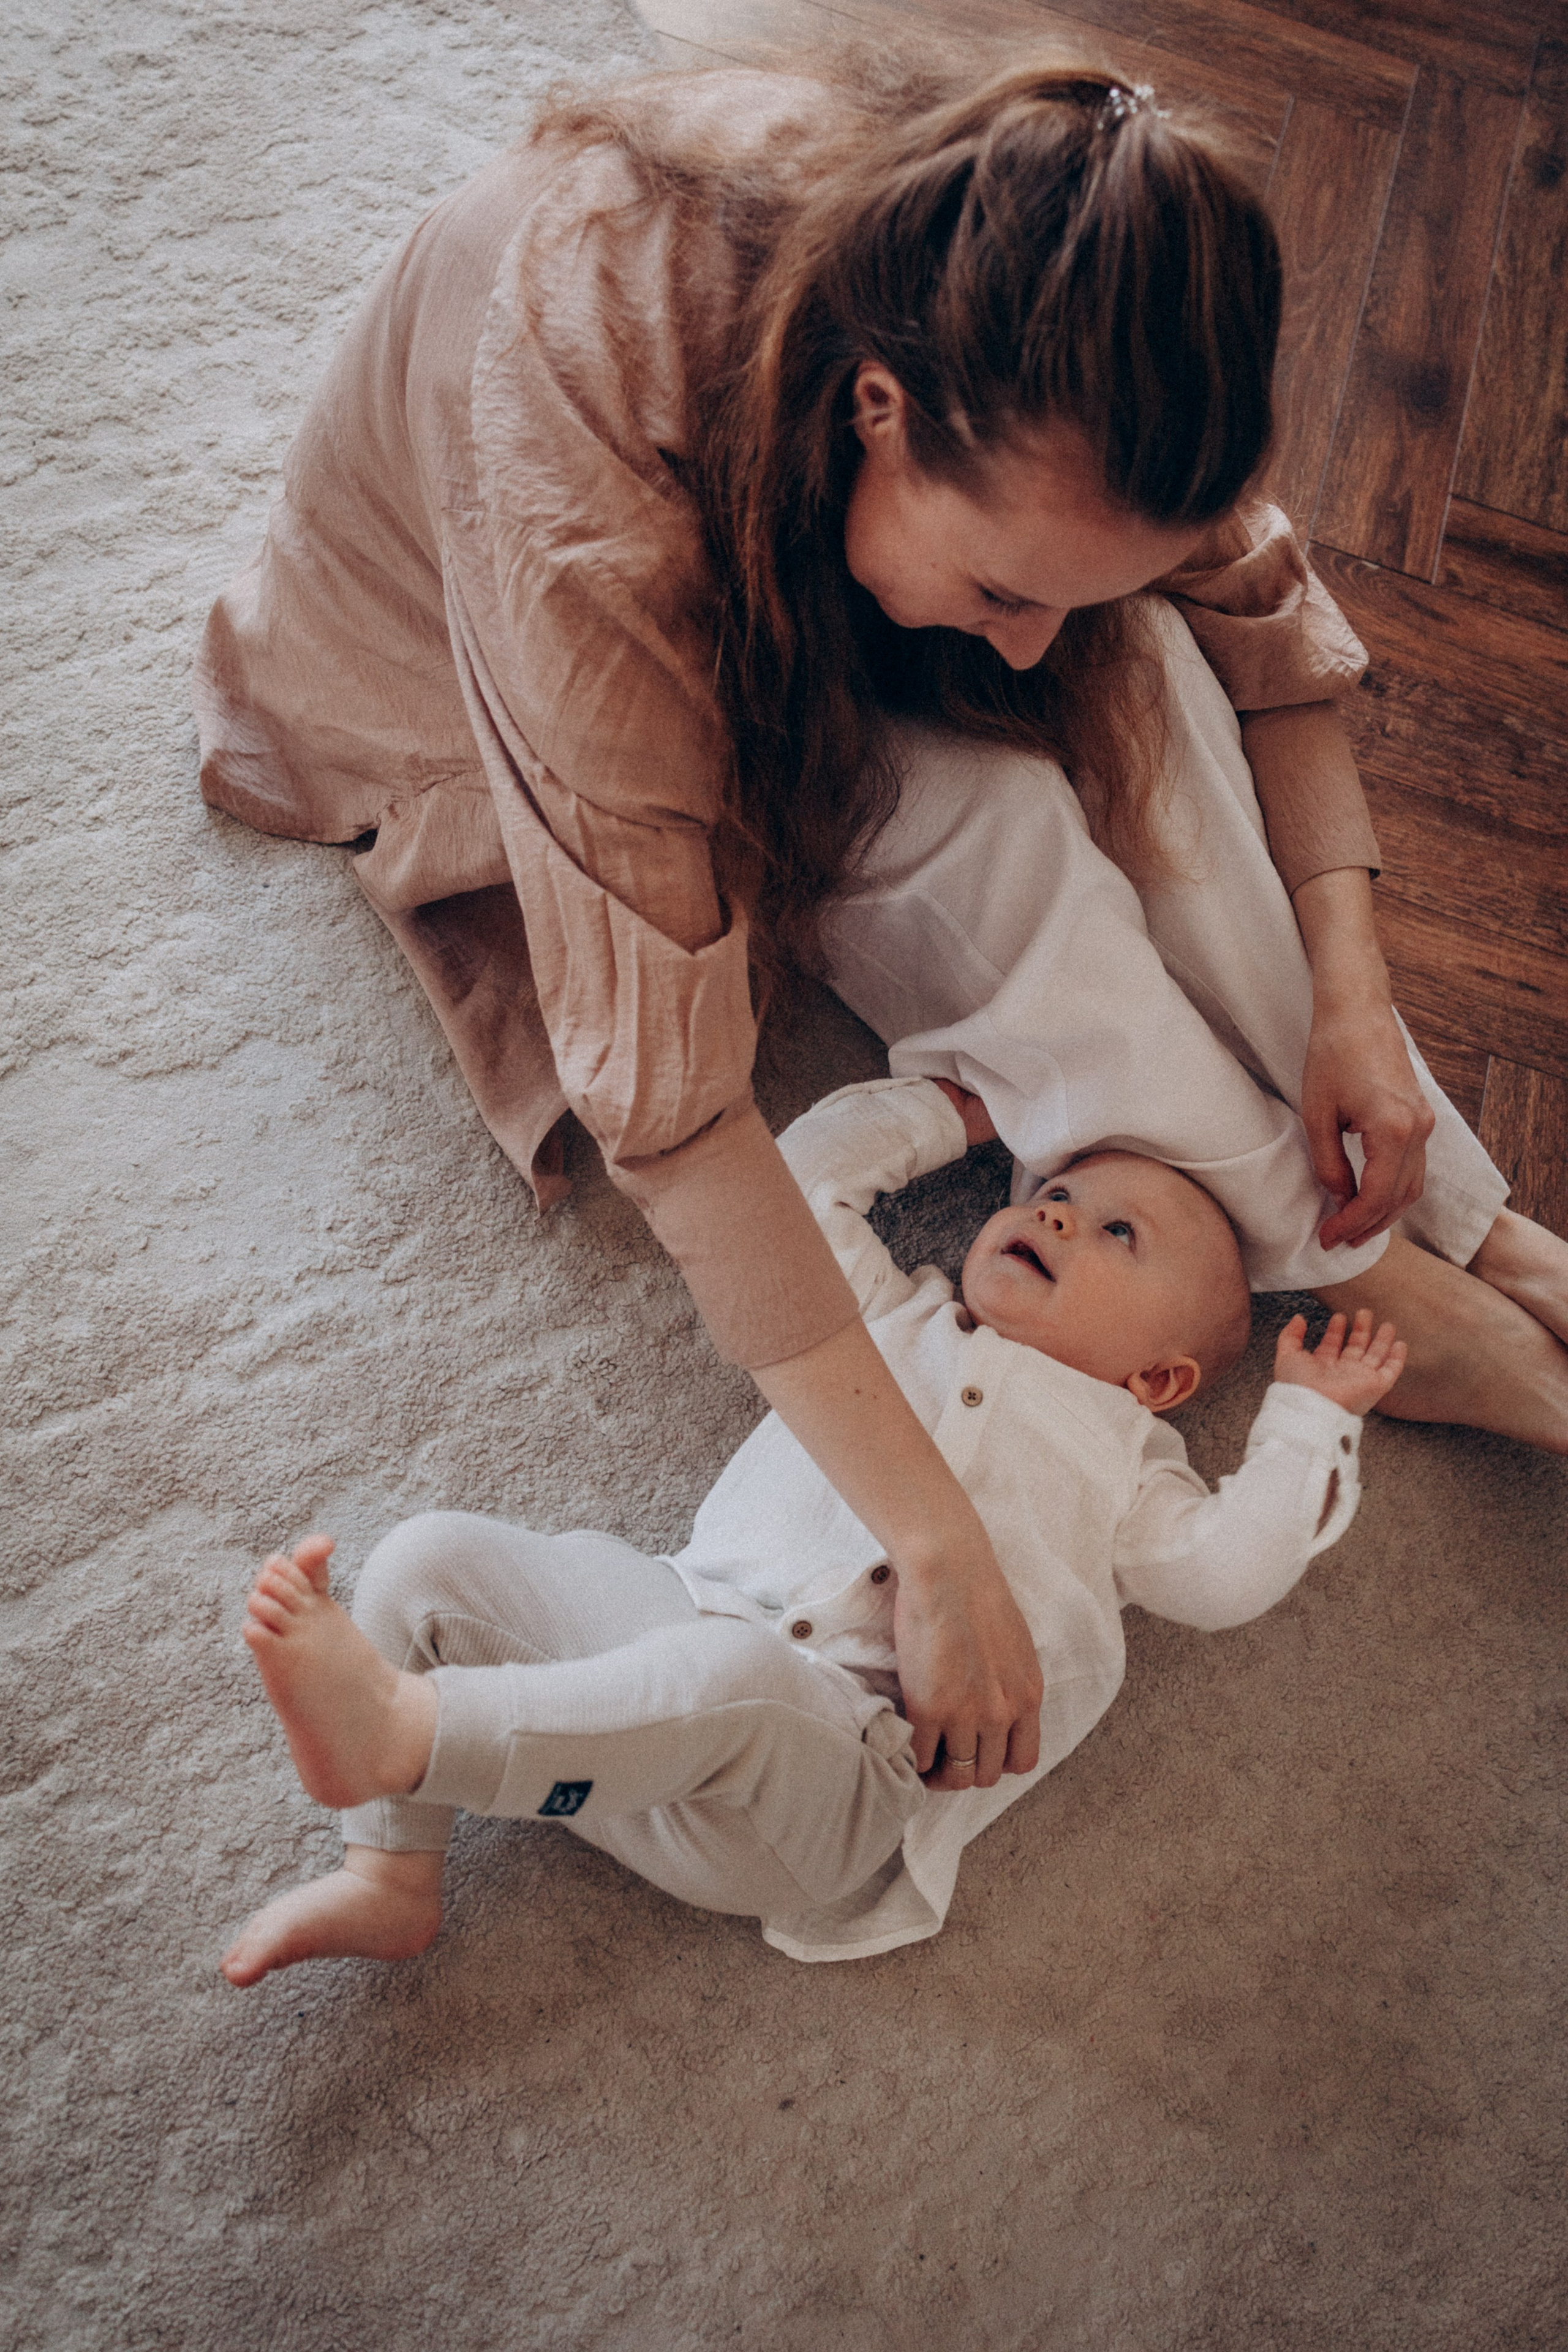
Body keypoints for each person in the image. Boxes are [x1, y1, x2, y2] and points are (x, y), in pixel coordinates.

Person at [195, 53, 1568, 1812]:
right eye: (1002, 593)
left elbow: (1253, 634)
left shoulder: (1081, 282)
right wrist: (932, 1542)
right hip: (492, 654)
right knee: (988, 819)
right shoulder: (590, 507)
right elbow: (679, 1116)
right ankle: (1357, 1263)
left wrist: (1356, 1005)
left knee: (1140, 670)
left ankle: (1460, 1218)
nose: (1019, 651)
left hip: (825, 534)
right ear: (877, 409)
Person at [221, 1074, 1406, 1983]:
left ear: (1159, 1379)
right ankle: (389, 1870)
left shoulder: (1129, 1470)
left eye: (1117, 1236)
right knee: (430, 1560)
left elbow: (1227, 1573)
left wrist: (1306, 1421)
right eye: (1057, 1195)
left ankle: (412, 1734)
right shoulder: (888, 1321)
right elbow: (793, 1189)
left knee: (733, 1678)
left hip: (824, 1787)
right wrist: (950, 1110)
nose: (1059, 1213)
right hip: (673, 1621)